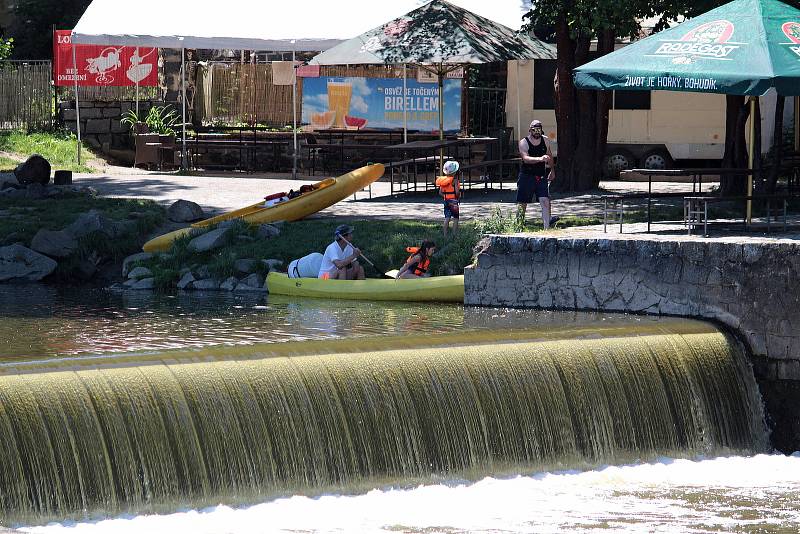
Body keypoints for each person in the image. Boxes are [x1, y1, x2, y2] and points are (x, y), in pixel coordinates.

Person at [517, 119, 559, 229]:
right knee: (523, 203)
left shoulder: (545, 140)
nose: (537, 132)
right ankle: (519, 225)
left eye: (539, 130)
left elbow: (549, 156)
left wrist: (552, 171)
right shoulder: (524, 142)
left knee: (545, 200)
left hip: (541, 176)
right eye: (535, 130)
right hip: (527, 176)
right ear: (530, 130)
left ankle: (546, 228)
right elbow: (525, 158)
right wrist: (540, 159)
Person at [436, 160, 461, 237]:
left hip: (446, 201)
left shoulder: (443, 181)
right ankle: (454, 235)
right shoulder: (455, 181)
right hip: (453, 201)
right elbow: (457, 192)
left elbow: (440, 192)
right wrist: (458, 196)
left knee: (447, 218)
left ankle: (445, 235)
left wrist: (446, 196)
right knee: (456, 218)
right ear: (454, 172)